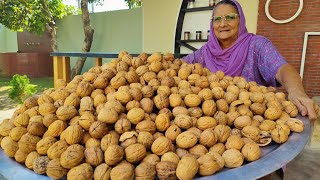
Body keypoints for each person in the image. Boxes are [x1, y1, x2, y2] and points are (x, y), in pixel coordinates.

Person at [182, 0, 317, 121]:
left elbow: (282, 69)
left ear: (241, 20)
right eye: (217, 19)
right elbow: (177, 66)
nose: (223, 24)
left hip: (252, 122)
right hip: (212, 125)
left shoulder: (257, 45)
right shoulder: (205, 52)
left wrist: (296, 91)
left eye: (230, 17)